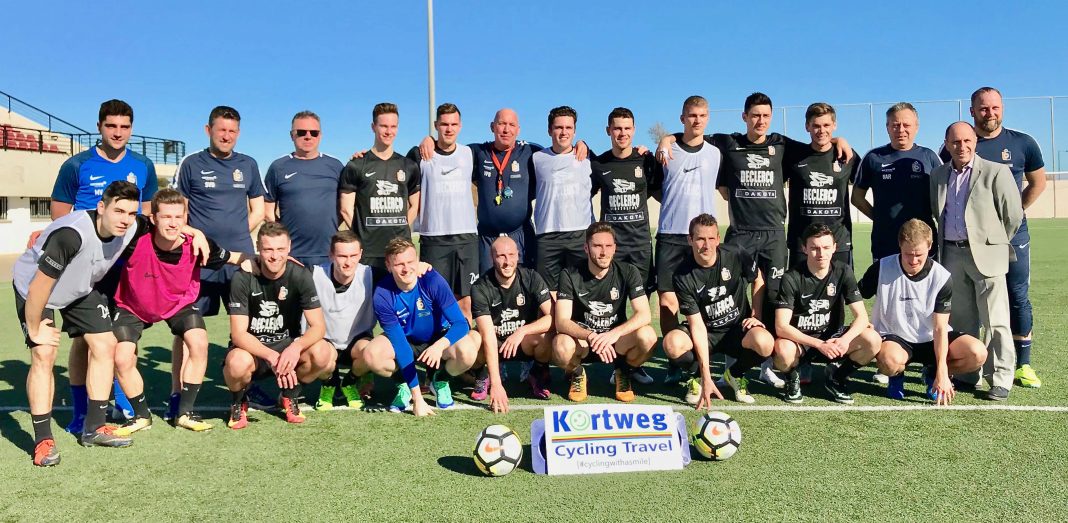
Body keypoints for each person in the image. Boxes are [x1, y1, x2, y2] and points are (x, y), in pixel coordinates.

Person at [13, 181, 204, 465]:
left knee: (105, 345)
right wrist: (35, 326)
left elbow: (167, 223)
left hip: (80, 287)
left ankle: (94, 427)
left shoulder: (134, 226)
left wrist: (194, 231)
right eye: (118, 211)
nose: (124, 219)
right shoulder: (71, 235)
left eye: (130, 212)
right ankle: (43, 441)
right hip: (35, 288)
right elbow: (41, 285)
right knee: (44, 353)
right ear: (101, 207)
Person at [47, 99, 158, 433]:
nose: (118, 133)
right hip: (84, 267)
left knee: (124, 337)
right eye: (111, 126)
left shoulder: (143, 165)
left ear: (131, 129)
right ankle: (81, 413)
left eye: (124, 127)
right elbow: (59, 215)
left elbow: (147, 216)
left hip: (125, 267)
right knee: (84, 341)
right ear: (99, 127)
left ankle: (124, 405)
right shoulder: (76, 165)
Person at [110, 189, 248, 433]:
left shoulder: (198, 246)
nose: (173, 223)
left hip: (178, 303)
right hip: (133, 305)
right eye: (166, 217)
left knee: (199, 341)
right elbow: (102, 223)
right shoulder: (134, 236)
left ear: (186, 218)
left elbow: (235, 257)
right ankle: (141, 416)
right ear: (153, 218)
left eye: (178, 217)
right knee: (122, 357)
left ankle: (184, 412)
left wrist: (264, 260)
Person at [943, 87, 1047, 388]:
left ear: (1002, 108)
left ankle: (1021, 365)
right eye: (983, 108)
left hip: (1009, 236)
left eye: (995, 107)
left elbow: (1036, 183)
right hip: (962, 245)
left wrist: (1002, 226)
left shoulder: (1023, 143)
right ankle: (970, 365)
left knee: (1014, 298)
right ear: (972, 110)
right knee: (965, 308)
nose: (990, 113)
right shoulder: (953, 146)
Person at [172, 105, 270, 413]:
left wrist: (240, 236)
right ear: (208, 130)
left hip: (239, 261)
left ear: (238, 134)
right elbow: (179, 214)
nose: (226, 136)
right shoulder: (191, 164)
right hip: (198, 262)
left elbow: (258, 210)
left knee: (246, 327)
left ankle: (244, 391)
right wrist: (199, 239)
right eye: (221, 130)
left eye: (232, 131)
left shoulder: (248, 165)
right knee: (185, 330)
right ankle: (179, 395)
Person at [415, 108, 588, 272]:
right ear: (492, 127)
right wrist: (431, 139)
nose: (506, 129)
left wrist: (581, 143)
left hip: (521, 234)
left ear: (518, 129)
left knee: (525, 285)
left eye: (511, 125)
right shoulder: (475, 152)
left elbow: (558, 154)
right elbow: (449, 149)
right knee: (485, 287)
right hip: (486, 236)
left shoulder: (531, 151)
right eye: (501, 124)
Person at [931, 122, 1022, 401]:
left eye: (967, 141)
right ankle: (969, 374)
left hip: (987, 256)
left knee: (995, 320)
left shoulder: (996, 172)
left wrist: (991, 243)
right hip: (951, 255)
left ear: (975, 142)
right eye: (956, 142)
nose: (962, 146)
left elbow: (1013, 216)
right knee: (961, 319)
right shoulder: (938, 175)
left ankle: (1001, 377)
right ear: (947, 144)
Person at [861, 219, 987, 405]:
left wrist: (942, 373)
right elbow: (855, 295)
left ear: (929, 246)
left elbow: (939, 328)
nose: (913, 260)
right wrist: (864, 322)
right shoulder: (882, 268)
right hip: (896, 338)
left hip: (931, 337)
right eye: (907, 254)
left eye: (918, 254)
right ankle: (897, 375)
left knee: (977, 353)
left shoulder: (941, 277)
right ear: (900, 246)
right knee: (889, 361)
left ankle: (931, 372)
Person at [223, 222, 332, 430]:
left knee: (323, 353)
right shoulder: (242, 277)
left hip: (287, 347)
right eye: (268, 249)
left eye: (280, 249)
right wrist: (271, 356)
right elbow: (238, 334)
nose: (275, 256)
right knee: (237, 362)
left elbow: (318, 327)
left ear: (289, 247)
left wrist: (295, 348)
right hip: (253, 350)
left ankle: (289, 395)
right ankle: (239, 401)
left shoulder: (300, 275)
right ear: (258, 248)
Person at [661, 214, 774, 406]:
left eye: (711, 238)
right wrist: (706, 375)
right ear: (690, 240)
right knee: (672, 343)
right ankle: (697, 378)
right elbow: (696, 325)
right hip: (706, 332)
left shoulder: (736, 253)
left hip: (737, 329)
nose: (706, 245)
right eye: (700, 239)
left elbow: (758, 279)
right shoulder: (682, 274)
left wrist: (756, 316)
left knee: (765, 342)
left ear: (718, 239)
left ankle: (735, 374)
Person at [362, 239, 481, 415]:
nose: (406, 268)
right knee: (371, 354)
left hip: (438, 337)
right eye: (399, 264)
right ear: (388, 265)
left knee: (468, 351)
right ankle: (404, 385)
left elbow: (461, 324)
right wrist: (418, 399)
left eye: (410, 262)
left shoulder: (431, 280)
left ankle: (440, 380)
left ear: (417, 260)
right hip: (407, 340)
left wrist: (439, 346)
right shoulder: (382, 294)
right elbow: (401, 347)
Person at [771, 223, 881, 404]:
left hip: (834, 340)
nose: (821, 254)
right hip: (803, 341)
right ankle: (792, 379)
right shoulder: (791, 277)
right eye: (814, 248)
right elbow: (781, 327)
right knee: (782, 350)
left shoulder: (843, 271)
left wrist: (844, 341)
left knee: (872, 339)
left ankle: (837, 377)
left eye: (826, 248)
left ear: (834, 248)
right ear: (804, 248)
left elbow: (862, 317)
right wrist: (819, 344)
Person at [589, 106, 659, 387]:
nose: (622, 133)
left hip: (640, 246)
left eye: (627, 128)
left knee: (641, 307)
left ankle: (633, 364)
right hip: (611, 249)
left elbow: (662, 191)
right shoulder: (599, 164)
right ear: (608, 131)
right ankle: (613, 360)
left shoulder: (645, 161)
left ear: (634, 130)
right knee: (612, 305)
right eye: (617, 128)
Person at [552, 222, 657, 403]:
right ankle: (577, 373)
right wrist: (592, 335)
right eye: (597, 246)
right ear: (586, 247)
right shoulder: (569, 274)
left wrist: (613, 334)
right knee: (560, 346)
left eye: (608, 246)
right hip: (584, 341)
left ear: (615, 248)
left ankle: (623, 371)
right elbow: (561, 321)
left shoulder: (628, 271)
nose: (603, 252)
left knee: (648, 336)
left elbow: (644, 314)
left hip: (615, 342)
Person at [649, 96, 721, 340]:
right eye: (692, 115)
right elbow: (657, 189)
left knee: (706, 297)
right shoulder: (667, 151)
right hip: (671, 235)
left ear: (708, 118)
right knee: (668, 300)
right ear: (682, 118)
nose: (697, 120)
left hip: (703, 239)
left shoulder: (716, 152)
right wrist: (666, 138)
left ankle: (705, 348)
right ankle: (674, 358)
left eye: (701, 115)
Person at [406, 103, 478, 319]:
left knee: (466, 303)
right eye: (444, 124)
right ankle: (438, 350)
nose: (449, 129)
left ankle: (464, 350)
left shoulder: (469, 153)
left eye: (454, 124)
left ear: (460, 126)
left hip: (466, 239)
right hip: (433, 239)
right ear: (436, 125)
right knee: (435, 302)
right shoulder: (419, 154)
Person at [469, 236, 554, 412]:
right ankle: (482, 375)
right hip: (495, 342)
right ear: (492, 258)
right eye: (501, 256)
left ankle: (536, 373)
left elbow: (553, 317)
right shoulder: (480, 287)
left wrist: (522, 331)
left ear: (518, 255)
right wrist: (497, 384)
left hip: (523, 342)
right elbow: (488, 336)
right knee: (473, 339)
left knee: (547, 335)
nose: (507, 262)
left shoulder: (531, 277)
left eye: (511, 255)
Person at [851, 102, 942, 261]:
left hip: (922, 243)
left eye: (906, 124)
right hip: (885, 242)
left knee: (923, 285)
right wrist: (880, 218)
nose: (901, 130)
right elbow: (857, 198)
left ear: (916, 126)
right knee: (886, 285)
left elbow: (944, 196)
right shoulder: (873, 157)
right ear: (887, 127)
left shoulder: (930, 157)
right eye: (895, 125)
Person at [339, 102, 421, 274]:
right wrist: (363, 234)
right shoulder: (357, 165)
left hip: (400, 253)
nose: (388, 131)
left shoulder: (409, 166)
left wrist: (403, 226)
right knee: (368, 300)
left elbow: (415, 204)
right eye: (383, 126)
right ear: (373, 127)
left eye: (393, 126)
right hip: (368, 252)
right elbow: (346, 209)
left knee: (398, 299)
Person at [263, 110, 345, 267]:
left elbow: (345, 206)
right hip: (291, 255)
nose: (308, 136)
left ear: (320, 135)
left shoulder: (335, 166)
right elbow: (267, 212)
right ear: (291, 135)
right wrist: (282, 240)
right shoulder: (278, 167)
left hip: (328, 253)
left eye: (314, 133)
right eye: (301, 132)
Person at [784, 103, 860, 267]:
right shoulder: (793, 154)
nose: (821, 130)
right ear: (807, 127)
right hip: (803, 245)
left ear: (834, 125)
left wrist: (839, 140)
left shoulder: (847, 156)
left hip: (838, 244)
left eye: (826, 125)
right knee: (800, 292)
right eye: (816, 126)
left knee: (840, 292)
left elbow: (866, 185)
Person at [308, 231, 376, 411]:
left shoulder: (371, 274)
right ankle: (329, 384)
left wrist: (419, 266)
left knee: (373, 352)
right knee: (317, 354)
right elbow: (286, 269)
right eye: (342, 256)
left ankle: (350, 381)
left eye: (353, 256)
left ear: (361, 254)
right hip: (326, 342)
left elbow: (401, 271)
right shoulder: (314, 274)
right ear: (331, 255)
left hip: (357, 342)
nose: (348, 262)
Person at [531, 106, 594, 294]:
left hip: (580, 234)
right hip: (547, 236)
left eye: (568, 127)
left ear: (575, 130)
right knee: (549, 295)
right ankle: (553, 325)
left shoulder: (587, 157)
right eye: (558, 127)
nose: (563, 132)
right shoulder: (536, 158)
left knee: (582, 290)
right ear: (550, 130)